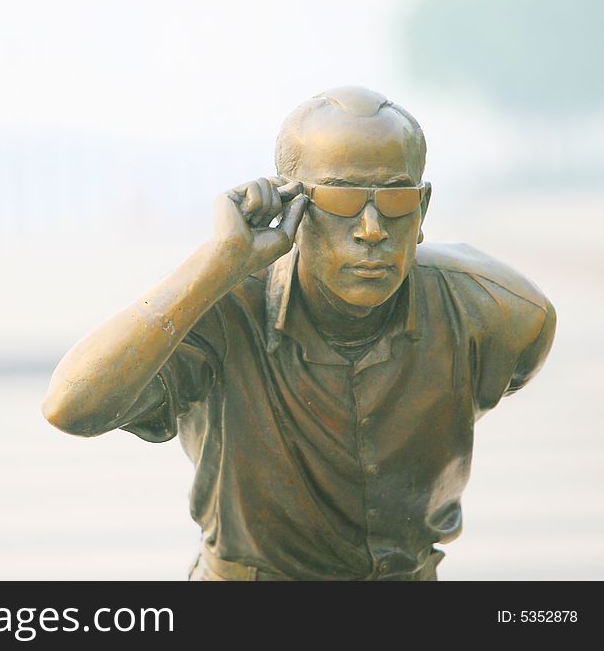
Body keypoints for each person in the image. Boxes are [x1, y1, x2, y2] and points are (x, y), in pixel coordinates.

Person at [41, 86, 556, 581]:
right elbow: (73, 406)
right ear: (294, 206)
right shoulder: (226, 309)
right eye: (341, 199)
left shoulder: (496, 315)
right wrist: (218, 263)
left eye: (395, 199)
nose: (372, 228)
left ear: (423, 209)